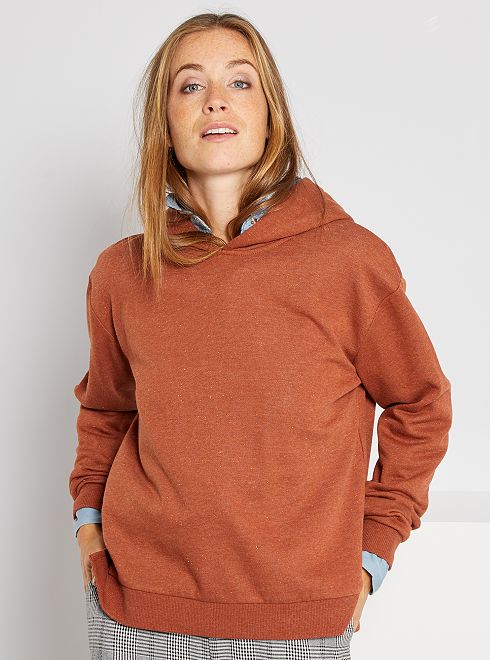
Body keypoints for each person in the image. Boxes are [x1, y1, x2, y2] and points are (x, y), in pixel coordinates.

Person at [69, 11, 453, 660]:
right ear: (165, 123)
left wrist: (373, 548)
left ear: (272, 115)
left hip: (297, 618)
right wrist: (89, 525)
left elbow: (421, 404)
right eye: (190, 85)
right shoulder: (122, 272)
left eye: (240, 81)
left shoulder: (347, 261)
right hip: (136, 607)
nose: (215, 98)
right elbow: (107, 409)